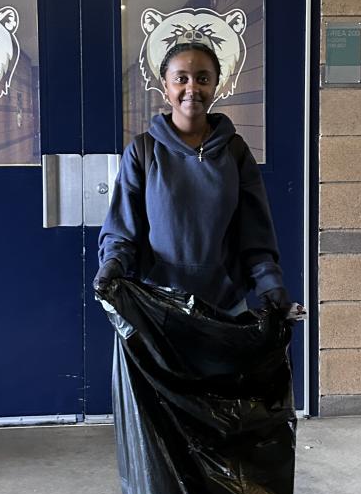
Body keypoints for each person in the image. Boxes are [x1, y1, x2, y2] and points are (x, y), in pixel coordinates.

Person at [94, 40, 301, 317]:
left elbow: (255, 233)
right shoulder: (143, 151)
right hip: (157, 308)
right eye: (181, 79)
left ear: (216, 85)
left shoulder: (235, 151)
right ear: (165, 86)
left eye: (203, 79)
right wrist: (112, 265)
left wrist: (271, 286)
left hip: (225, 308)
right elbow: (122, 230)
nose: (192, 88)